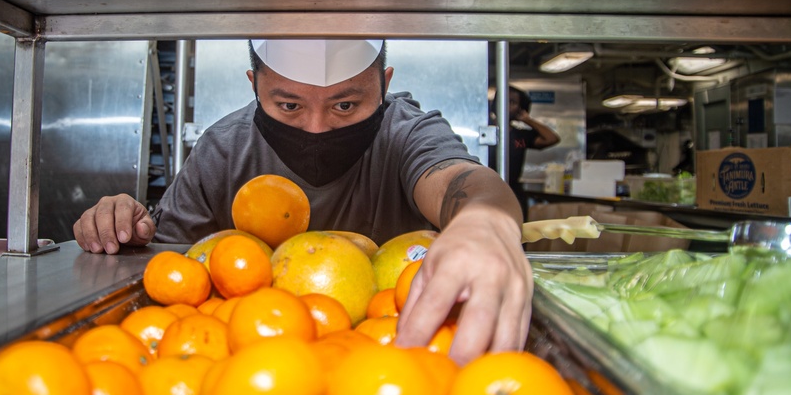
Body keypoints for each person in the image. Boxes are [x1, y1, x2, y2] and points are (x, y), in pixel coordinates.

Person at [74, 39, 532, 364]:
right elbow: (169, 268)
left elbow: (459, 181)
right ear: (255, 84)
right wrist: (127, 228)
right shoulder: (223, 150)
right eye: (289, 106)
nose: (316, 128)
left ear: (384, 83)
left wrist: (484, 223)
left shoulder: (405, 133)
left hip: (390, 353)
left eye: (345, 106)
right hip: (252, 354)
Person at [492, 86, 560, 219]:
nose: (506, 105)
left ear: (520, 109)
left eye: (512, 102)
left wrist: (527, 119)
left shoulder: (521, 136)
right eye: (502, 100)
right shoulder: (483, 130)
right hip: (484, 189)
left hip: (513, 191)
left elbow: (551, 138)